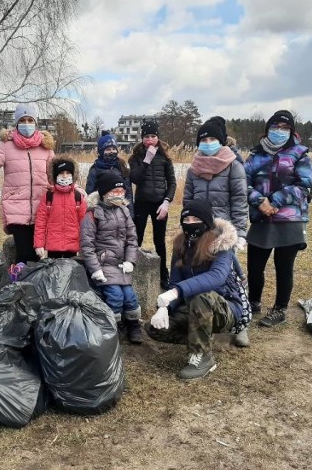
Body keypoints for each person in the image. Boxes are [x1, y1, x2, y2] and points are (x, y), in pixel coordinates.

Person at [146, 200, 251, 380]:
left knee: (200, 296)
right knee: (155, 328)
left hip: (226, 307)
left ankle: (203, 356)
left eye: (196, 219)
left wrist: (176, 292)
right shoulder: (181, 245)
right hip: (194, 307)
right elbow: (175, 282)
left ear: (207, 222)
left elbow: (216, 277)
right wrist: (166, 308)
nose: (190, 224)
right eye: (186, 220)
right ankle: (202, 335)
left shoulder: (222, 245)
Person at [244, 110, 312, 327]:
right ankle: (253, 302)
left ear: (292, 131)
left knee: (284, 266)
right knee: (255, 265)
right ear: (267, 130)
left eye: (285, 128)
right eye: (275, 127)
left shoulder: (300, 154)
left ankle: (280, 309)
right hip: (261, 218)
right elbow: (241, 183)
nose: (279, 131)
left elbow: (305, 185)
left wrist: (274, 201)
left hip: (290, 219)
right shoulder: (255, 156)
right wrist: (259, 201)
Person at [0, 103, 55, 263]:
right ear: (16, 123)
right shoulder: (6, 145)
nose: (27, 124)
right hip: (16, 207)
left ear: (36, 123)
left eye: (30, 120)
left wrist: (74, 189)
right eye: (23, 120)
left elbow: (55, 175)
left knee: (40, 256)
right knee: (25, 255)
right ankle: (22, 284)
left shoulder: (46, 148)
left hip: (41, 209)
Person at [183, 116, 248, 292]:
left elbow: (240, 201)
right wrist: (187, 223)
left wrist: (240, 232)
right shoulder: (193, 169)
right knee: (200, 266)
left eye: (212, 139)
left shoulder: (234, 166)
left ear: (221, 141)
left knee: (224, 271)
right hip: (199, 227)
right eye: (204, 140)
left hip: (224, 229)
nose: (208, 143)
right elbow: (188, 199)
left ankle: (234, 299)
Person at [80, 172, 142, 344]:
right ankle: (111, 328)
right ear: (105, 192)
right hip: (104, 264)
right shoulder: (92, 214)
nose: (119, 194)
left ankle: (133, 325)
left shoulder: (124, 211)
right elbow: (87, 246)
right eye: (115, 191)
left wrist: (131, 260)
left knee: (130, 296)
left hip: (122, 264)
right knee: (115, 295)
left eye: (122, 190)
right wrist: (95, 269)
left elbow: (132, 239)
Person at [129, 120, 177, 290]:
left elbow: (172, 182)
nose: (150, 139)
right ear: (142, 138)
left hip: (159, 204)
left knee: (159, 241)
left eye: (153, 136)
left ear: (158, 137)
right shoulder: (136, 156)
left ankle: (163, 274)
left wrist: (166, 202)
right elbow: (134, 178)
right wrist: (147, 160)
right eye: (146, 136)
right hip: (141, 202)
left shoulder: (165, 157)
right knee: (137, 238)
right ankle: (132, 271)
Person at [34, 157, 86, 259]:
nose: (65, 176)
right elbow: (40, 223)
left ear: (72, 175)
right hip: (53, 247)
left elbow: (84, 225)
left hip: (73, 247)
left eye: (68, 173)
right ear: (55, 175)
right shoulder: (48, 196)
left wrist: (84, 245)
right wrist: (39, 244)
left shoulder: (78, 197)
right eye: (61, 173)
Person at [85, 133, 134, 217]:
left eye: (114, 149)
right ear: (101, 151)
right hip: (102, 212)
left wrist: (131, 214)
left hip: (121, 212)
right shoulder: (95, 170)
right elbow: (89, 193)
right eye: (108, 149)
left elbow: (128, 193)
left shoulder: (122, 167)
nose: (111, 151)